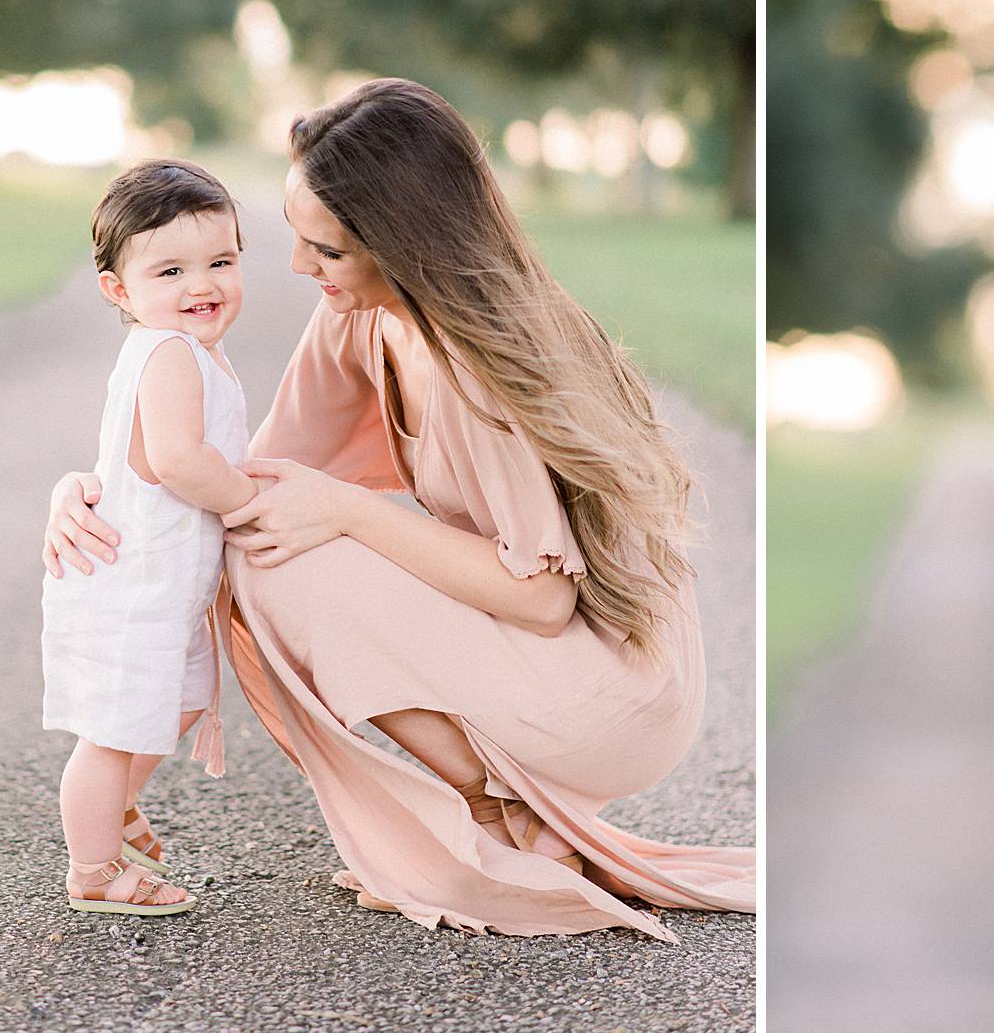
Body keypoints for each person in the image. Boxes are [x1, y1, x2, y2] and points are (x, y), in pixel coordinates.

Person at [43, 79, 755, 939]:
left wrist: (350, 509)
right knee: (270, 542)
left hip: (618, 683)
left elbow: (542, 596)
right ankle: (502, 817)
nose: (301, 269)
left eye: (329, 251)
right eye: (296, 240)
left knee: (295, 551)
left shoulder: (484, 366)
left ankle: (487, 819)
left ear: (404, 244)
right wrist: (95, 491)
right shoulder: (363, 315)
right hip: (539, 647)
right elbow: (250, 485)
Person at [43, 160, 250, 917]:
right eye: (171, 269)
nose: (203, 283)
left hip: (167, 588)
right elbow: (178, 460)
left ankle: (117, 804)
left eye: (221, 261)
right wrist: (251, 502)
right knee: (112, 730)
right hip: (133, 585)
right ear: (119, 289)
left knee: (183, 703)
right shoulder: (167, 353)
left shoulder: (190, 349)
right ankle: (93, 866)